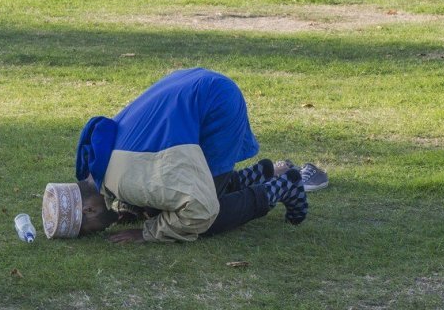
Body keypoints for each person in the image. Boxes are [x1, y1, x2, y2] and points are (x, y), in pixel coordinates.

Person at [43, 68, 326, 243]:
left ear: (89, 209)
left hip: (215, 104)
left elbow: (201, 208)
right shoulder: (97, 168)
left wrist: (149, 232)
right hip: (196, 88)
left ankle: (285, 184)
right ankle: (264, 173)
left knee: (203, 217)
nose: (96, 232)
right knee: (167, 203)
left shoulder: (127, 181)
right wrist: (137, 209)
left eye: (89, 229)